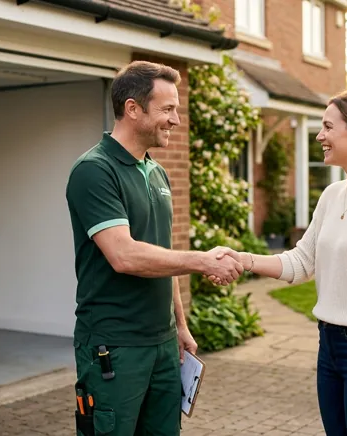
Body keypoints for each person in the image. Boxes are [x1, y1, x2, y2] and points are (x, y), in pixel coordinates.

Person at [215, 90, 347, 435]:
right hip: (330, 349)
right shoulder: (332, 195)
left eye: (328, 127)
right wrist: (243, 259)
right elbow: (301, 262)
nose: (319, 136)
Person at [65, 60, 244, 436]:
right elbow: (124, 255)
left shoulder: (157, 172)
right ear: (133, 109)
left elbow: (162, 253)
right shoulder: (94, 171)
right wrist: (201, 260)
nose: (176, 120)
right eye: (167, 109)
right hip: (114, 347)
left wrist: (178, 324)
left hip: (163, 345)